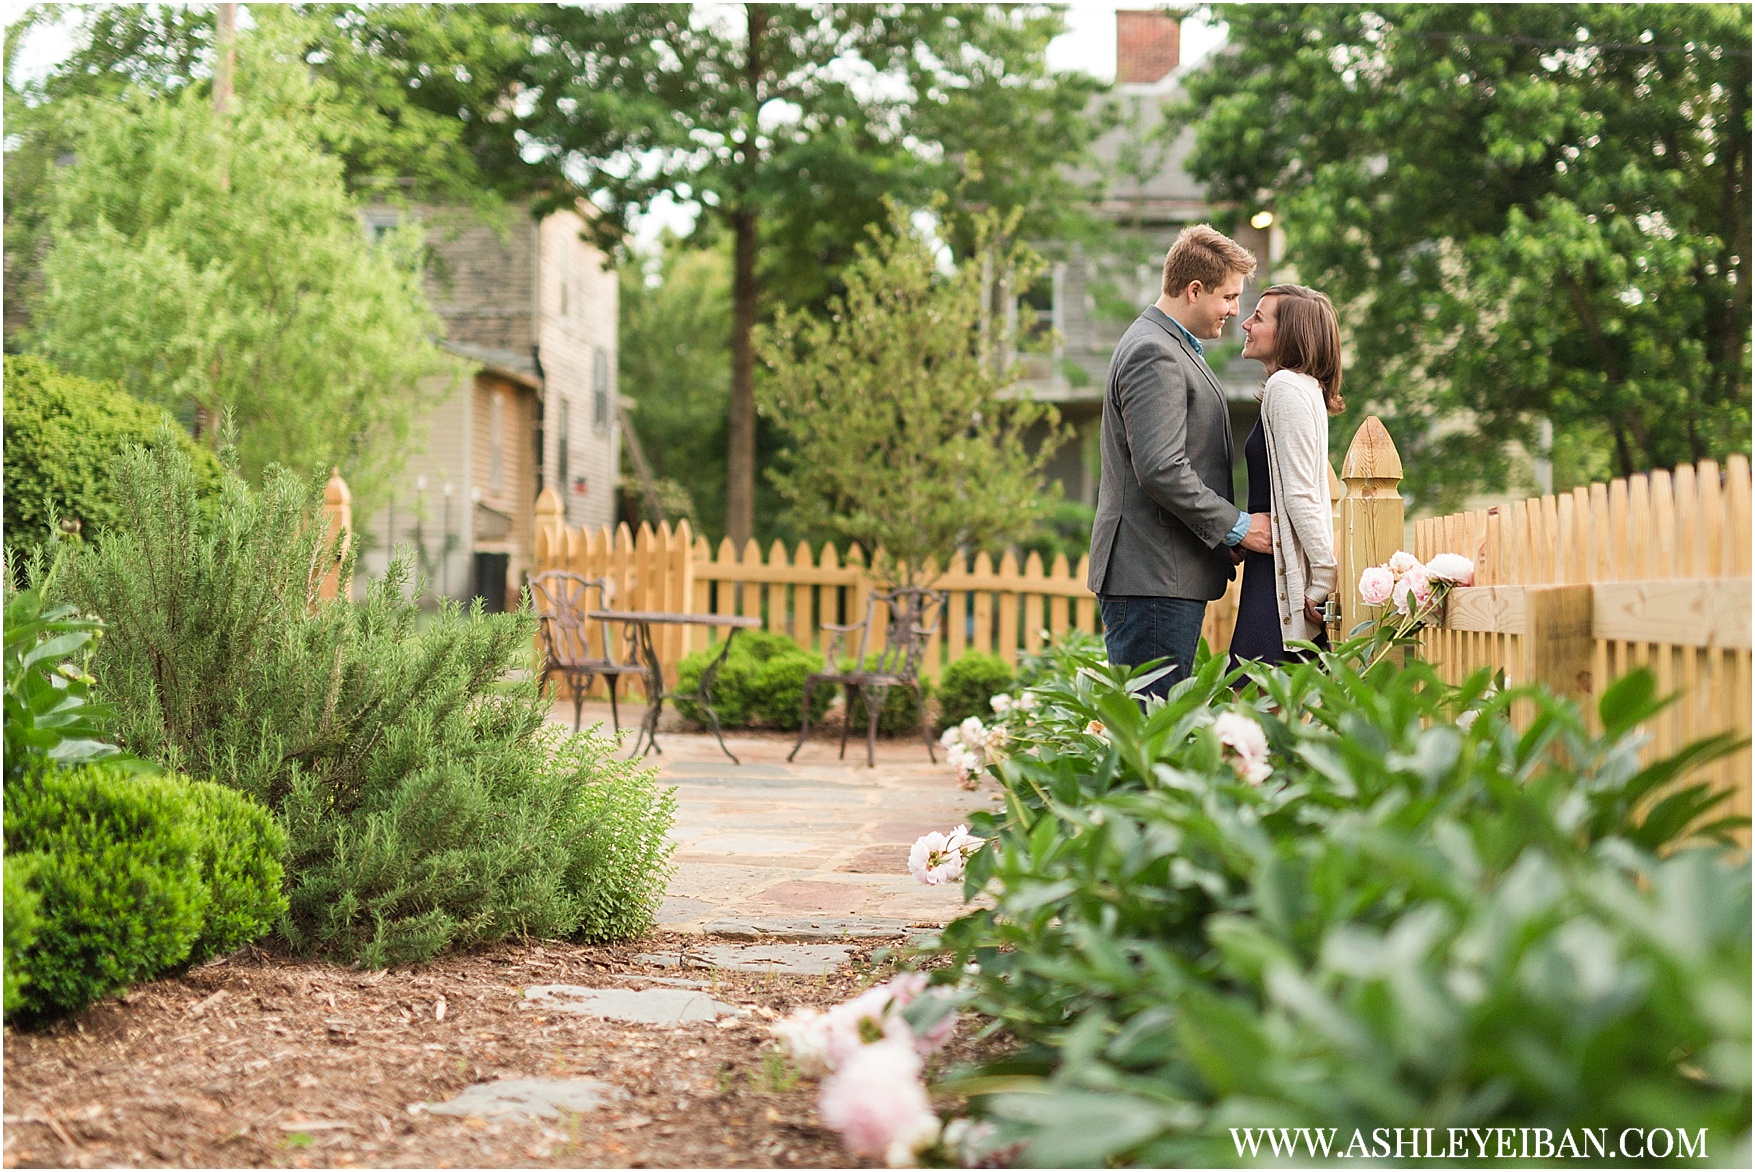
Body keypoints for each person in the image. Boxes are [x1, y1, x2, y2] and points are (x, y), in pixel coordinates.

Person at [1088, 224, 1270, 697]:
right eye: (1229, 297)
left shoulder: (1171, 345)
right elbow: (1162, 468)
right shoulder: (1155, 352)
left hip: (1163, 574)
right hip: (1152, 577)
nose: (1235, 310)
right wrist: (1236, 525)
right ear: (1194, 290)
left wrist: (1216, 539)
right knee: (1155, 733)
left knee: (1160, 729)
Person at [1228, 284, 1343, 665]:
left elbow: (1301, 493)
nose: (1245, 323)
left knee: (1251, 703)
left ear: (1289, 334)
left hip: (1276, 576)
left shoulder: (1285, 387)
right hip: (1269, 564)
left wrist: (1323, 578)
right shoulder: (1305, 388)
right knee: (1261, 705)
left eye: (1258, 318)